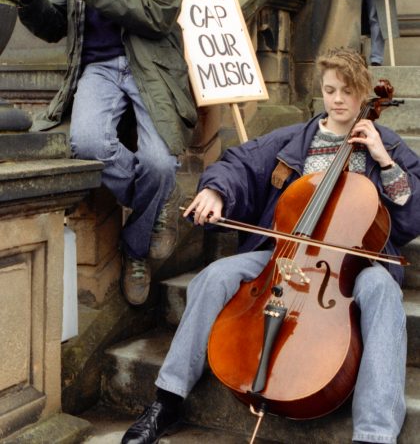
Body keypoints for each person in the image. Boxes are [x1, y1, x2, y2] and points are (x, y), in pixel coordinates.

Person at [121, 47, 420, 444]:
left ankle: (375, 434)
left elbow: (412, 213)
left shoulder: (389, 146)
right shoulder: (297, 139)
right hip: (281, 255)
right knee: (215, 276)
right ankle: (167, 400)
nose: (337, 100)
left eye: (347, 92)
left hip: (350, 266)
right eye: (330, 90)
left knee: (382, 290)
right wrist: (215, 191)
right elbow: (239, 163)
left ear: (364, 93)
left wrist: (384, 161)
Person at [1, 0, 197, 306]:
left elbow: (154, 17)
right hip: (99, 66)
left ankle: (134, 250)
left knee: (162, 164)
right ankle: (160, 204)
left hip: (152, 68)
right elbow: (53, 27)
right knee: (87, 145)